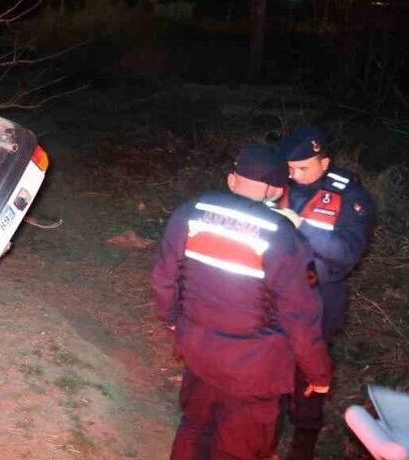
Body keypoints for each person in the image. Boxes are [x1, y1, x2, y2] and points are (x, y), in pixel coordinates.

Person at [151, 144, 331, 460]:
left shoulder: (190, 212)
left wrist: (174, 321)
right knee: (238, 450)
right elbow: (302, 319)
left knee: (194, 429)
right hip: (254, 374)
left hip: (199, 354)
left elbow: (163, 279)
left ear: (232, 179)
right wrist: (318, 375)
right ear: (277, 190)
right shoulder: (283, 237)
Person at [278, 125, 375, 460]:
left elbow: (348, 253)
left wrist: (301, 226)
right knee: (272, 359)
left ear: (325, 162)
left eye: (303, 168)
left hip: (321, 296)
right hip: (277, 293)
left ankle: (304, 439)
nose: (294, 175)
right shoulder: (278, 185)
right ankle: (267, 426)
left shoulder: (350, 196)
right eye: (290, 168)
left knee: (310, 368)